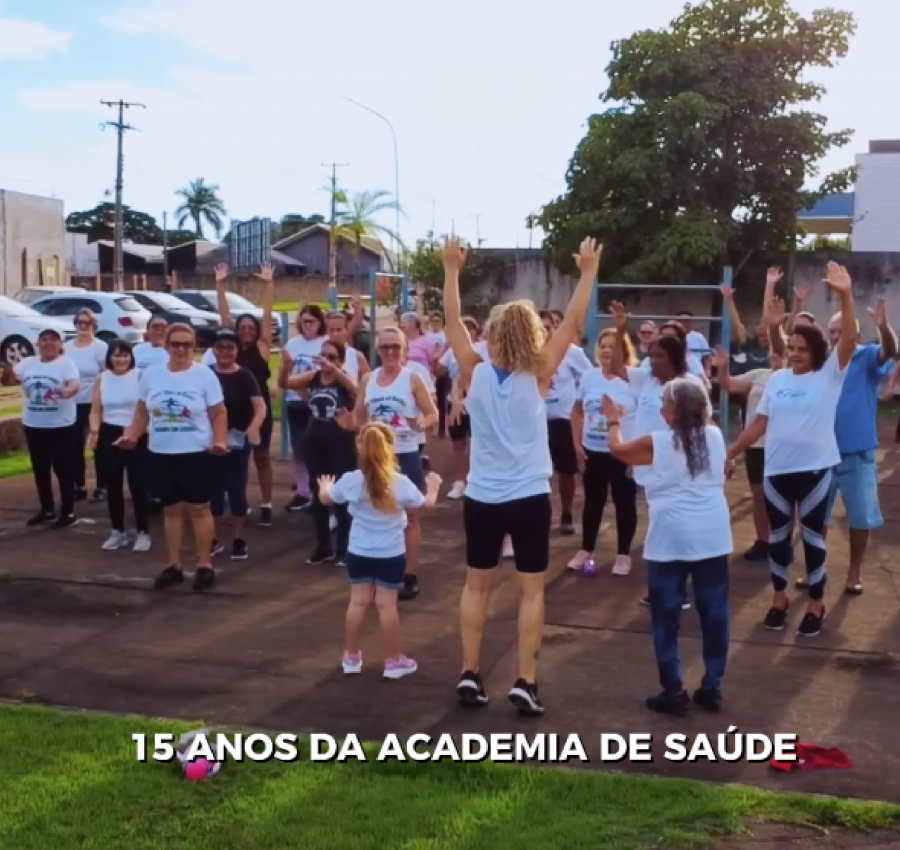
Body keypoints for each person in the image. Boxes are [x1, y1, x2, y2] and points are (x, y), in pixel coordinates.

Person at [443, 235, 601, 716]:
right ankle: (525, 681)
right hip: (529, 496)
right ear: (531, 334)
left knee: (477, 586)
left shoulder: (473, 371)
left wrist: (452, 270)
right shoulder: (541, 372)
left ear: (491, 334)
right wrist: (589, 271)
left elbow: (452, 323)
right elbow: (572, 322)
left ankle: (470, 672)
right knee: (531, 591)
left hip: (484, 497)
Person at [725, 263, 858, 637]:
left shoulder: (830, 375)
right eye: (793, 348)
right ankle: (779, 598)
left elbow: (848, 338)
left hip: (816, 471)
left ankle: (816, 602)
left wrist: (846, 294)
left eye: (802, 349)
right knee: (779, 539)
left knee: (813, 538)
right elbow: (759, 423)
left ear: (816, 351)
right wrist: (732, 452)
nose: (796, 353)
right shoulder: (778, 379)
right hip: (776, 472)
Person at [602, 379, 732, 715]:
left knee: (666, 616)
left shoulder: (658, 442)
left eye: (664, 404)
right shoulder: (715, 437)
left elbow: (617, 450)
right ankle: (712, 685)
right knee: (715, 613)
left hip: (670, 536)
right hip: (713, 535)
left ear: (674, 412)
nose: (660, 409)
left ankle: (673, 689)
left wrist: (613, 419)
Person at [318, 423, 442, 679]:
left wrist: (324, 488)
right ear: (390, 449)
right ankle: (393, 661)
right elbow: (426, 504)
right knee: (387, 606)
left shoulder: (352, 481)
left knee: (358, 602)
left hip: (359, 552)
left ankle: (351, 657)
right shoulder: (400, 483)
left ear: (360, 449)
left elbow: (328, 499)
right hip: (390, 553)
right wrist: (434, 485)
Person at [119, 324, 227, 592]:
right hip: (162, 452)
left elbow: (219, 412)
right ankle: (174, 565)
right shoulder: (152, 375)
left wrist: (219, 440)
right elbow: (142, 411)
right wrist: (132, 435)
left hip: (196, 452)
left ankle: (204, 564)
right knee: (172, 509)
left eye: (186, 344)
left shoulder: (204, 376)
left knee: (199, 509)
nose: (181, 349)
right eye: (175, 344)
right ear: (166, 345)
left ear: (194, 346)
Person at [810, 297, 896, 594]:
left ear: (855, 335)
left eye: (841, 331)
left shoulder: (868, 356)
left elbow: (891, 351)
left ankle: (854, 571)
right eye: (831, 331)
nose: (835, 337)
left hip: (857, 454)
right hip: (821, 454)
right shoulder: (821, 362)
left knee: (860, 517)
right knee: (816, 516)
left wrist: (884, 327)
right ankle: (815, 569)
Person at [349, 327, 438, 601]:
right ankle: (378, 568)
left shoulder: (412, 379)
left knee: (410, 515)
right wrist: (358, 428)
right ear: (378, 350)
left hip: (405, 451)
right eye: (385, 347)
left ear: (404, 350)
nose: (390, 352)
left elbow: (433, 413)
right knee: (375, 511)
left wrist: (422, 423)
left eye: (395, 347)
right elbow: (359, 416)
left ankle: (408, 574)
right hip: (376, 456)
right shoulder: (368, 379)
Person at [209, 263, 276, 526]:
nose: (247, 330)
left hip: (259, 409)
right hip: (232, 409)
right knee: (236, 460)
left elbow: (268, 314)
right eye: (243, 327)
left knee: (261, 457)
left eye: (251, 327)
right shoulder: (230, 347)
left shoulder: (262, 347)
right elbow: (224, 317)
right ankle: (239, 502)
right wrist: (220, 285)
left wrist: (268, 285)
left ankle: (267, 503)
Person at [568, 328, 639, 574]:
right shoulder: (589, 377)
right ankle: (586, 549)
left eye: (613, 345)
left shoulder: (633, 379)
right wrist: (577, 445)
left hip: (623, 451)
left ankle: (623, 555)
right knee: (593, 501)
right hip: (593, 450)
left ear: (623, 350)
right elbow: (577, 411)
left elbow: (643, 418)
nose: (607, 350)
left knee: (624, 502)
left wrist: (637, 456)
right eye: (603, 345)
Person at [287, 338, 358, 565]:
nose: (326, 361)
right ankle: (323, 545)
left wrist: (336, 371)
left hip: (340, 441)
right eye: (323, 356)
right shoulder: (314, 377)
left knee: (342, 494)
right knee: (319, 494)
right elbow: (286, 383)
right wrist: (285, 368)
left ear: (341, 360)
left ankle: (345, 548)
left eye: (332, 357)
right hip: (316, 440)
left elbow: (356, 390)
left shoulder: (344, 379)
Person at [1, 328, 80, 528]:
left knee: (63, 469)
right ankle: (47, 509)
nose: (48, 343)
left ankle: (68, 512)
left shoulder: (66, 364)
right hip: (34, 425)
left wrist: (67, 390)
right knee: (40, 469)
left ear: (60, 345)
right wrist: (7, 370)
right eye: (44, 340)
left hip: (60, 426)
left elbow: (74, 385)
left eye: (53, 340)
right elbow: (9, 380)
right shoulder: (28, 364)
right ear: (38, 344)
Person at [714, 343, 782, 562]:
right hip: (755, 446)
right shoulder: (760, 375)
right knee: (759, 497)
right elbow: (730, 385)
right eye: (775, 352)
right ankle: (763, 541)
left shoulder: (796, 379)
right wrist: (723, 368)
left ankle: (782, 542)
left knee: (784, 498)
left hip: (780, 446)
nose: (777, 356)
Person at [207, 328, 267, 561]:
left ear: (237, 350)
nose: (224, 351)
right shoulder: (207, 374)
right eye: (220, 347)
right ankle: (212, 537)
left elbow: (260, 406)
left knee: (236, 489)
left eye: (229, 347)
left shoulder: (245, 376)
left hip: (236, 439)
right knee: (213, 489)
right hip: (211, 440)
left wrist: (253, 428)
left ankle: (239, 538)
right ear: (213, 350)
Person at [88, 340, 151, 552]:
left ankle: (143, 532)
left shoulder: (140, 376)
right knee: (112, 485)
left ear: (131, 357)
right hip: (110, 433)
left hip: (136, 433)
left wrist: (137, 431)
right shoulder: (102, 379)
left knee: (138, 485)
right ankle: (118, 531)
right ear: (109, 358)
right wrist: (95, 432)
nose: (121, 359)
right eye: (116, 355)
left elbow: (147, 407)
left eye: (125, 355)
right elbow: (96, 409)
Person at [539, 310, 592, 534]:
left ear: (556, 328)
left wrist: (578, 407)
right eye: (539, 329)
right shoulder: (528, 353)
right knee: (538, 472)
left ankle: (567, 513)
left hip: (562, 419)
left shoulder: (573, 353)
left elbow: (589, 380)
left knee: (566, 471)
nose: (545, 333)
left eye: (548, 328)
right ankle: (541, 516)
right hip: (535, 421)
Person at [279, 304, 327, 511]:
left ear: (319, 323)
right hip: (294, 400)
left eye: (312, 321)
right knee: (298, 449)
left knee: (318, 450)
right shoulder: (293, 343)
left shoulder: (325, 343)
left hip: (317, 403)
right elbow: (285, 370)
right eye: (304, 321)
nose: (307, 325)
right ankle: (302, 491)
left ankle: (320, 492)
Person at [436, 317, 486, 499]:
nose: (467, 332)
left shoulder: (483, 348)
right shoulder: (451, 351)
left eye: (470, 329)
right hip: (456, 401)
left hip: (479, 403)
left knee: (477, 443)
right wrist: (445, 349)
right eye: (463, 328)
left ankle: (475, 479)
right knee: (458, 444)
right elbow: (439, 370)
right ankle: (459, 482)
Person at [65, 308, 108, 502]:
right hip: (72, 404)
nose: (83, 326)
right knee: (74, 447)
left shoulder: (101, 348)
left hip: (95, 403)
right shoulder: (66, 348)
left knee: (99, 446)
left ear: (94, 326)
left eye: (87, 323)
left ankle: (102, 486)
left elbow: (107, 375)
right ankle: (78, 485)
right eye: (79, 323)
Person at [326, 309, 370, 380]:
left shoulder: (357, 356)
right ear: (327, 331)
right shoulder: (320, 354)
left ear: (346, 330)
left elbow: (368, 383)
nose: (335, 334)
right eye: (331, 330)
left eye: (339, 330)